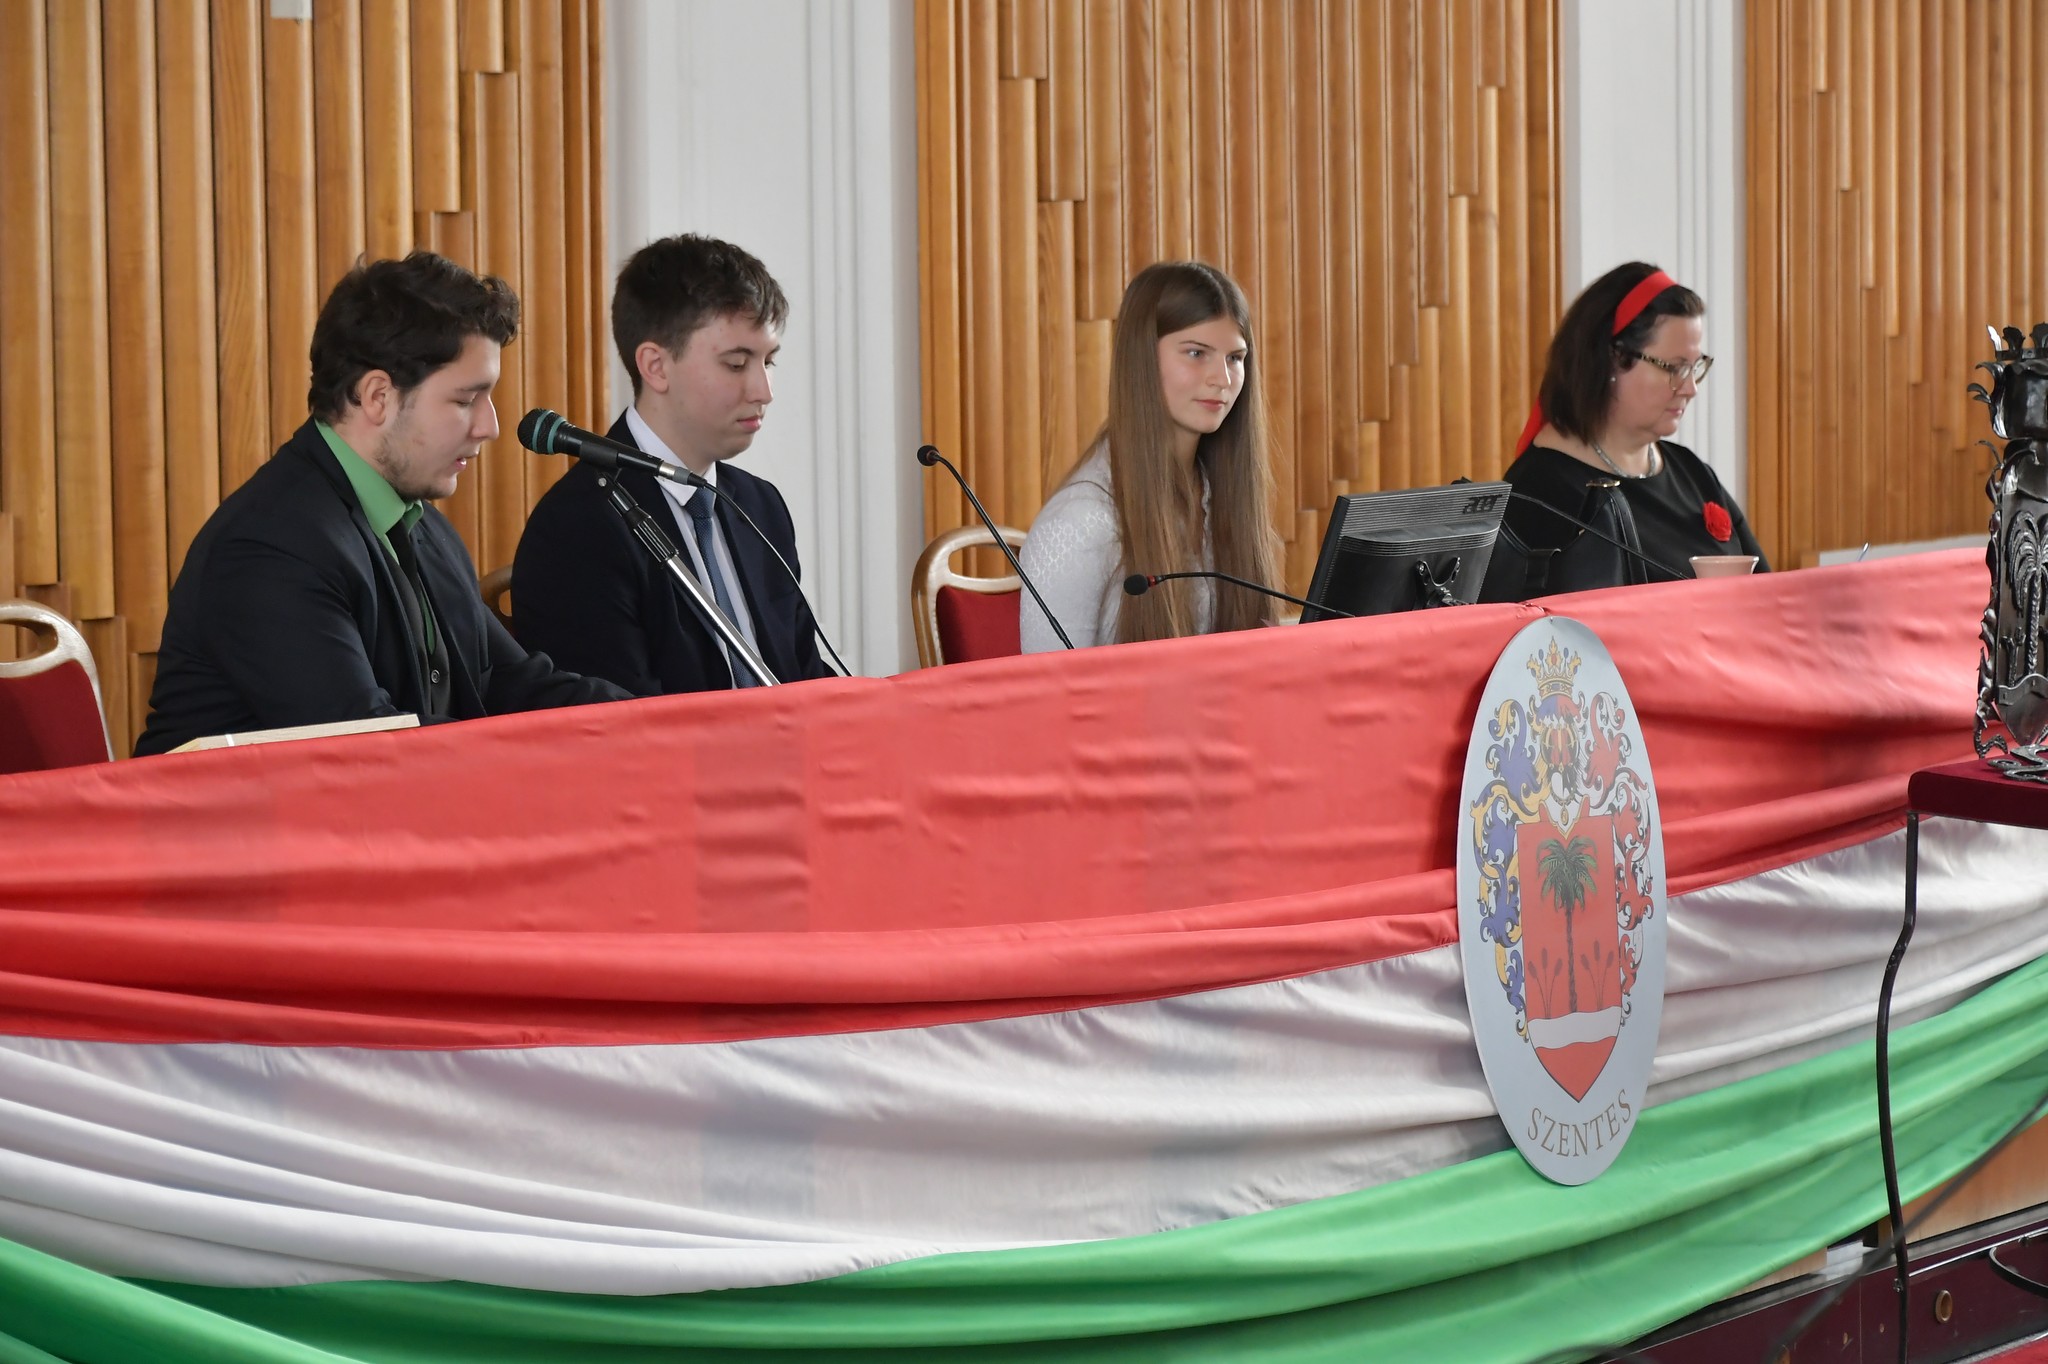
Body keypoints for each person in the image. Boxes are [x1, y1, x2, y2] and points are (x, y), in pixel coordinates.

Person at [135, 253, 629, 757]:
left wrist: (654, 725)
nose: (490, 426)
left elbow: (514, 684)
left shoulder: (424, 528)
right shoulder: (270, 547)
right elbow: (363, 748)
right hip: (257, 810)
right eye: (465, 401)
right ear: (377, 397)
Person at [511, 234, 831, 694]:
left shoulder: (760, 505)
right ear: (656, 366)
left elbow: (802, 674)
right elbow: (618, 719)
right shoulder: (577, 525)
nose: (764, 391)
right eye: (737, 364)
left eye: (769, 362)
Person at [1019, 261, 1281, 652]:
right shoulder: (1079, 522)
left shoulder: (1218, 493)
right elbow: (1048, 688)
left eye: (1235, 358)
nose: (1223, 380)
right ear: (1141, 359)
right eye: (1196, 353)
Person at [1499, 261, 1767, 590]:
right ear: (1611, 360)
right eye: (1674, 368)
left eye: (1694, 367)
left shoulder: (1693, 473)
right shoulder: (1538, 491)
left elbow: (1767, 593)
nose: (1690, 388)